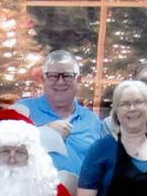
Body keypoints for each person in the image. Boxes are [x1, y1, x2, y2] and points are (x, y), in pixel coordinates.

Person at [17, 50, 103, 188]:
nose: (60, 82)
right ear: (43, 79)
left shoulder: (92, 120)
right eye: (53, 76)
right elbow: (3, 149)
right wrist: (44, 133)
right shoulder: (22, 111)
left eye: (68, 76)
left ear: (79, 80)